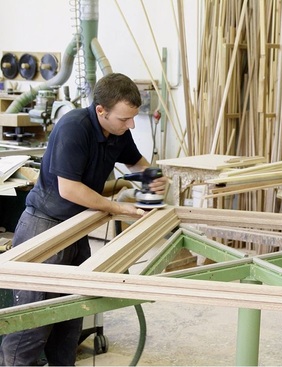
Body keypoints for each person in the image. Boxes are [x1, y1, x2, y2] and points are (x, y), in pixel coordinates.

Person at [0, 73, 167, 366]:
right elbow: (69, 188)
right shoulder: (73, 127)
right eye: (124, 119)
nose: (130, 125)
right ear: (101, 110)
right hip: (45, 226)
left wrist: (152, 176)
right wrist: (116, 208)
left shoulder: (117, 130)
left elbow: (135, 161)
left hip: (77, 226)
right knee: (32, 324)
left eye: (132, 118)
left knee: (69, 320)